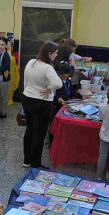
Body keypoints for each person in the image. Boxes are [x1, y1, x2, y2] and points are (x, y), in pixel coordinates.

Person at [21, 41, 62, 169]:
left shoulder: (31, 62)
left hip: (27, 98)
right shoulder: (47, 68)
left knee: (30, 130)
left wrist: (28, 91)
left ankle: (27, 160)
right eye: (55, 53)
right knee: (39, 133)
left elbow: (25, 81)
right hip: (41, 102)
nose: (56, 56)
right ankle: (35, 164)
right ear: (49, 53)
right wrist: (49, 88)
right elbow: (58, 83)